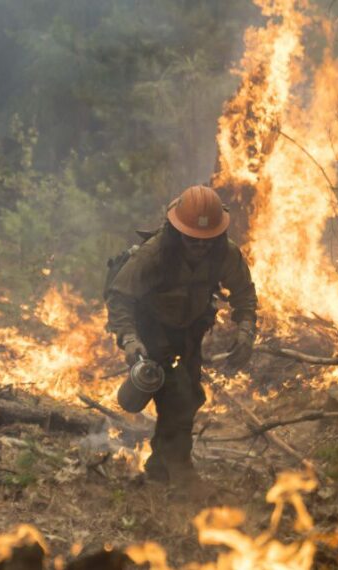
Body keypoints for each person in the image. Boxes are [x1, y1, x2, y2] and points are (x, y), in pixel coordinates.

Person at [106, 185, 258, 484]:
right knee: (173, 391)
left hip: (189, 329)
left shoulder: (224, 253)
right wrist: (130, 339)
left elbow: (244, 294)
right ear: (178, 230)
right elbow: (120, 297)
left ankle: (162, 468)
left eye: (206, 240)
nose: (199, 246)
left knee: (188, 397)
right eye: (192, 239)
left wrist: (246, 330)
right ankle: (179, 469)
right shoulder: (155, 253)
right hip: (151, 327)